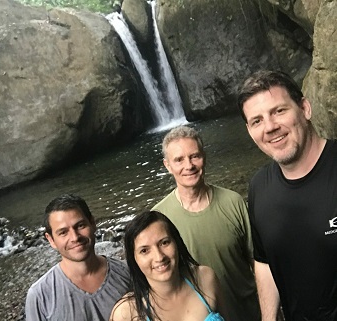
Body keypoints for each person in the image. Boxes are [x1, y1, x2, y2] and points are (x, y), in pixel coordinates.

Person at [237, 70, 337, 321]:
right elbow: (264, 262)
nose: (270, 127)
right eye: (257, 121)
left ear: (305, 108)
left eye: (279, 111)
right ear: (250, 131)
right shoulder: (259, 187)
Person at [152, 126, 261, 321]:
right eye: (179, 160)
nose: (189, 165)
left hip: (248, 313)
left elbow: (258, 262)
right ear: (167, 165)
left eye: (195, 156)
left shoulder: (233, 202)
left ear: (204, 157)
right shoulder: (159, 217)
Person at [25, 194, 131, 321]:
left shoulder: (127, 273)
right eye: (63, 232)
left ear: (93, 223)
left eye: (80, 226)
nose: (75, 237)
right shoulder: (40, 295)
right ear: (51, 240)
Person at [111, 210, 228, 321]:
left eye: (164, 243)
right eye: (145, 250)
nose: (159, 257)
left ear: (177, 242)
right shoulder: (127, 313)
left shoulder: (205, 278)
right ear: (134, 259)